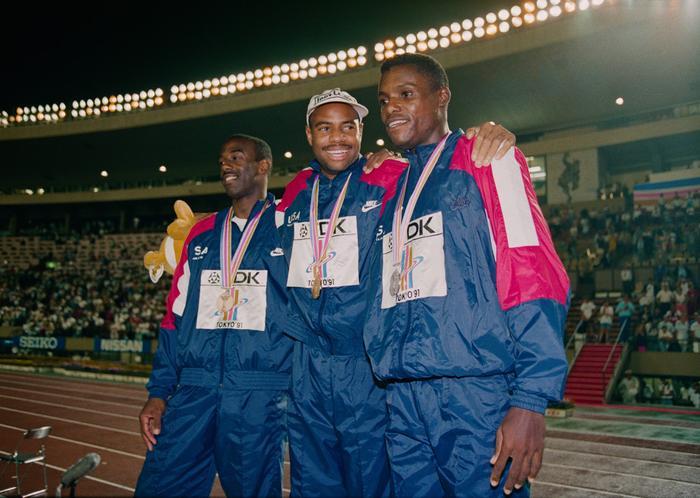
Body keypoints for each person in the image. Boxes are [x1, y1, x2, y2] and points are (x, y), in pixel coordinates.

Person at [276, 88, 515, 497]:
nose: (337, 137)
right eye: (325, 128)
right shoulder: (296, 190)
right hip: (308, 366)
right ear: (309, 134)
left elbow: (435, 170)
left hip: (366, 366)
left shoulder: (389, 176)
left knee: (373, 481)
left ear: (362, 130)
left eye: (348, 127)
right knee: (312, 482)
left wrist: (483, 135)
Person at [364, 54, 570, 497]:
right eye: (383, 100)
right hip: (403, 399)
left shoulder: (489, 159)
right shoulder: (392, 187)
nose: (391, 108)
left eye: (406, 94)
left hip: (476, 395)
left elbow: (531, 275)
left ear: (442, 96)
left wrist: (531, 398)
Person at [135, 135, 293, 498]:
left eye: (236, 157)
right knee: (160, 487)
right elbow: (174, 320)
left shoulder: (289, 226)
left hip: (258, 394)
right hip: (194, 390)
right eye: (222, 160)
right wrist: (159, 392)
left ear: (263, 166)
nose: (226, 165)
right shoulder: (201, 233)